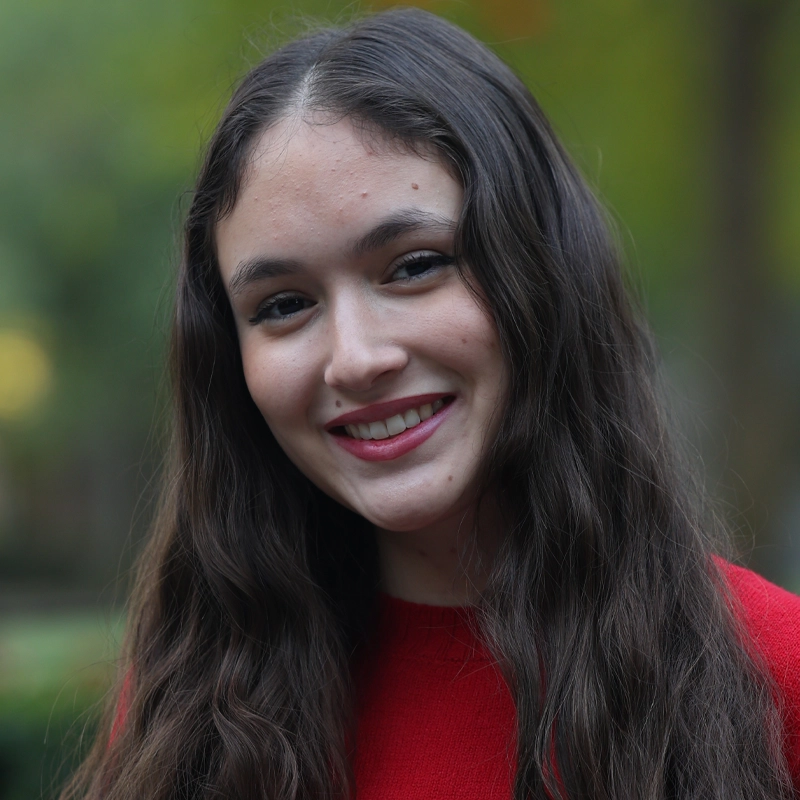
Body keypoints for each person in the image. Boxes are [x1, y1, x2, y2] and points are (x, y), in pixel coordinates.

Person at [62, 8, 800, 800]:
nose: (355, 358)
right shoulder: (188, 717)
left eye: (413, 266)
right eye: (282, 305)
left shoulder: (774, 675)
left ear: (542, 274)